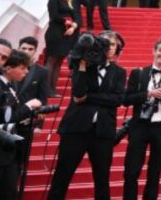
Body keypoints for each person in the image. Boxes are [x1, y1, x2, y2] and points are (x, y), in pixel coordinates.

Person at [47, 32, 126, 200]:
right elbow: (78, 93)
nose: (108, 47)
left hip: (103, 132)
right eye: (104, 43)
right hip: (75, 129)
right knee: (62, 176)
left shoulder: (119, 72)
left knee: (102, 179)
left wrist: (88, 98)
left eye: (112, 45)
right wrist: (82, 64)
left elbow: (117, 99)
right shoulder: (82, 64)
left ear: (117, 49)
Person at [123, 37, 161, 200]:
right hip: (140, 126)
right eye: (160, 50)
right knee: (131, 170)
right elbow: (126, 99)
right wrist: (148, 94)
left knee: (155, 172)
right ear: (154, 51)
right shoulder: (139, 73)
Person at [0, 49, 39, 199]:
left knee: (10, 193)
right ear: (8, 68)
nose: (26, 72)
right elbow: (3, 119)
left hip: (8, 152)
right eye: (22, 67)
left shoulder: (11, 87)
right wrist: (28, 107)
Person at [45, 0, 83, 92]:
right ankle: (46, 89)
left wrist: (73, 26)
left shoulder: (69, 1)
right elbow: (54, 15)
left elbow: (76, 15)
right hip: (55, 32)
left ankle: (53, 89)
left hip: (67, 34)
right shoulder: (53, 0)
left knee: (60, 61)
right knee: (52, 60)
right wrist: (67, 22)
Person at [17, 36, 52, 103]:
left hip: (29, 111)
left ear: (35, 51)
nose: (26, 51)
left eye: (30, 49)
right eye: (23, 48)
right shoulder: (8, 67)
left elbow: (43, 98)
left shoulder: (42, 71)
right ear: (18, 49)